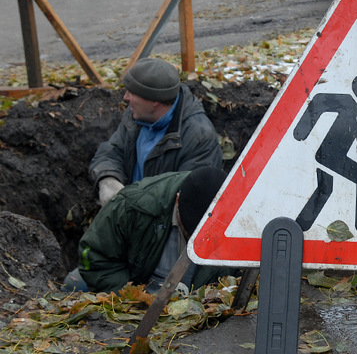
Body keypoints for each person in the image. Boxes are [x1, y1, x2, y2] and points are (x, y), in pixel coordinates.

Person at [64, 167, 236, 293]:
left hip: (194, 308)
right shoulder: (135, 205)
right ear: (177, 201)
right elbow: (95, 255)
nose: (194, 240)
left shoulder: (240, 220)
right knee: (73, 284)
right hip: (140, 292)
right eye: (189, 232)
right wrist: (131, 297)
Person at [89, 57, 223, 206]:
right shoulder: (136, 115)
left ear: (155, 101)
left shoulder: (199, 137)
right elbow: (112, 151)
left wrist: (130, 209)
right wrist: (108, 179)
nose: (125, 97)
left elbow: (188, 201)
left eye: (132, 93)